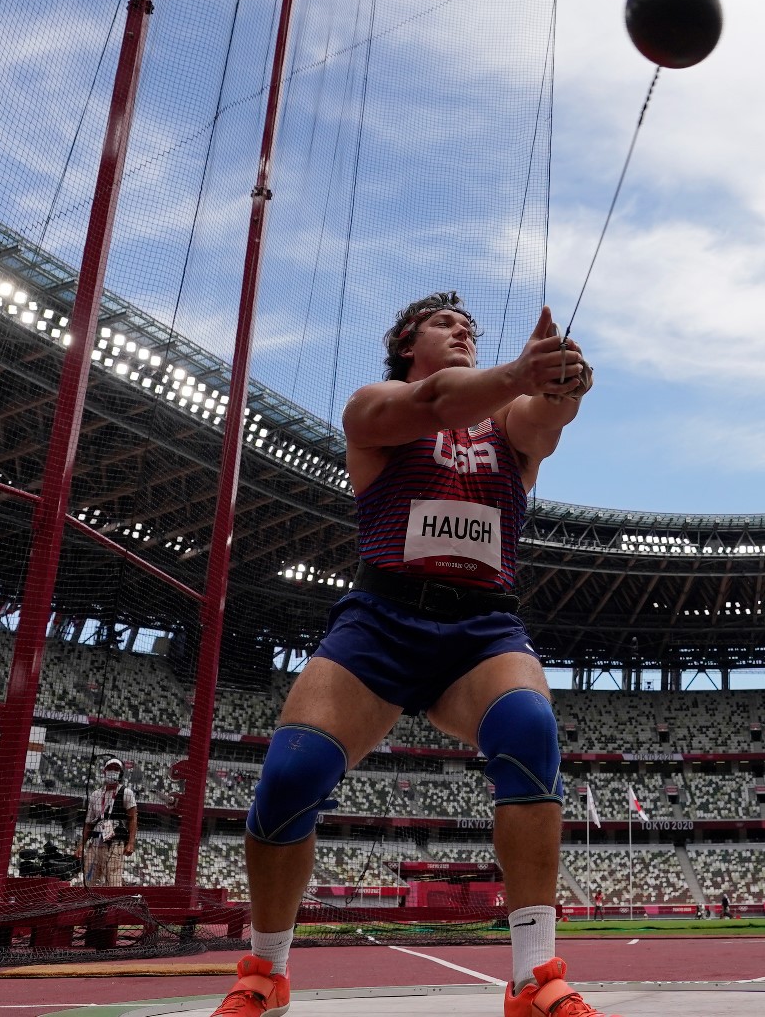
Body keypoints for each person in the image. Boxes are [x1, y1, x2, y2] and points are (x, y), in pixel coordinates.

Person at [213, 294, 598, 1017]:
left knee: (530, 733)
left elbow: (543, 423)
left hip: (482, 629)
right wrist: (523, 370)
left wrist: (558, 386)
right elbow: (432, 403)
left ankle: (534, 977)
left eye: (471, 331)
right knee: (291, 778)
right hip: (381, 621)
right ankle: (266, 970)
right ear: (404, 341)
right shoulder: (375, 406)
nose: (463, 332)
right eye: (446, 324)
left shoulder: (505, 416)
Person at [81, 758, 137, 887]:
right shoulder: (96, 795)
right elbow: (88, 823)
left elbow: (133, 818)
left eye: (116, 769)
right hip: (95, 843)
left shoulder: (126, 793)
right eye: (110, 769)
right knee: (89, 881)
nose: (112, 772)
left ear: (121, 773)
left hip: (115, 844)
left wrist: (131, 843)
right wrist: (81, 845)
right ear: (104, 771)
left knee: (113, 881)